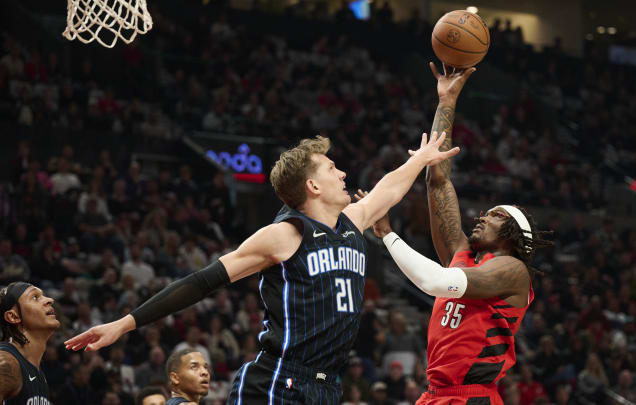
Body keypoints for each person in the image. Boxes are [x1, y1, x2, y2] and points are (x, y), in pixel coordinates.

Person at [65, 133, 458, 404]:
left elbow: (391, 187)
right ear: (313, 187)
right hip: (279, 384)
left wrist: (423, 157)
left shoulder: (352, 221)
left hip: (327, 387)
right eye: (332, 168)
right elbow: (203, 281)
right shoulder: (285, 234)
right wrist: (124, 323)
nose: (343, 175)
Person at [365, 62, 553, 405]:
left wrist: (389, 234)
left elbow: (436, 283)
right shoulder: (465, 256)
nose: (481, 217)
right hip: (436, 395)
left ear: (512, 234)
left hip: (472, 398)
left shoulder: (512, 271)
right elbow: (437, 178)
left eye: (494, 216)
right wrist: (446, 102)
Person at [0, 282, 59, 404]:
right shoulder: (6, 362)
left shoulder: (38, 372)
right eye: (35, 297)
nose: (50, 300)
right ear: (13, 316)